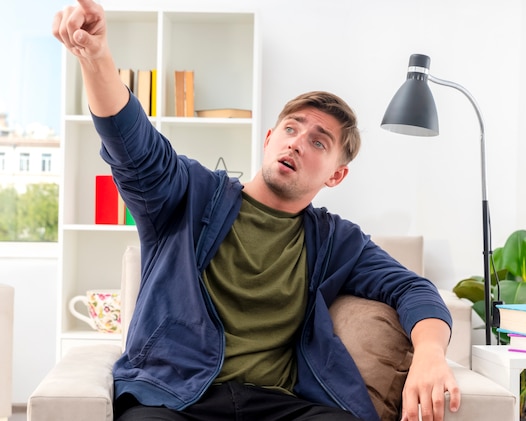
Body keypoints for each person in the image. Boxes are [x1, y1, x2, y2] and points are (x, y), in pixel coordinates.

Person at [52, 1, 461, 420]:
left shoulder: (337, 241)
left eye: (318, 142)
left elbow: (413, 289)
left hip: (279, 404)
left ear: (335, 176)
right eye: (291, 127)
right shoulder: (191, 194)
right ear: (269, 138)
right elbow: (134, 146)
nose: (297, 142)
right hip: (175, 398)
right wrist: (97, 57)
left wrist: (430, 354)